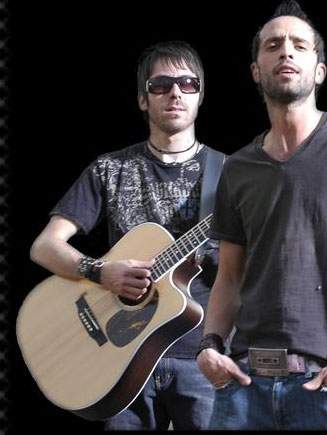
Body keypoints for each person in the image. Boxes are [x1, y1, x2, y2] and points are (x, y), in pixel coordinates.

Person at [195, 0, 327, 430]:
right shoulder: (238, 167)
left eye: (299, 45)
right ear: (256, 71)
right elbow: (229, 275)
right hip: (245, 387)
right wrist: (209, 346)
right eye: (273, 45)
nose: (286, 51)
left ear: (319, 70)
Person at [29, 40, 224, 430]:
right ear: (142, 99)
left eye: (188, 84)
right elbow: (44, 247)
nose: (175, 93)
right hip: (122, 357)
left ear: (200, 96)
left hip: (200, 356)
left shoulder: (233, 176)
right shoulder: (110, 169)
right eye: (161, 85)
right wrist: (101, 272)